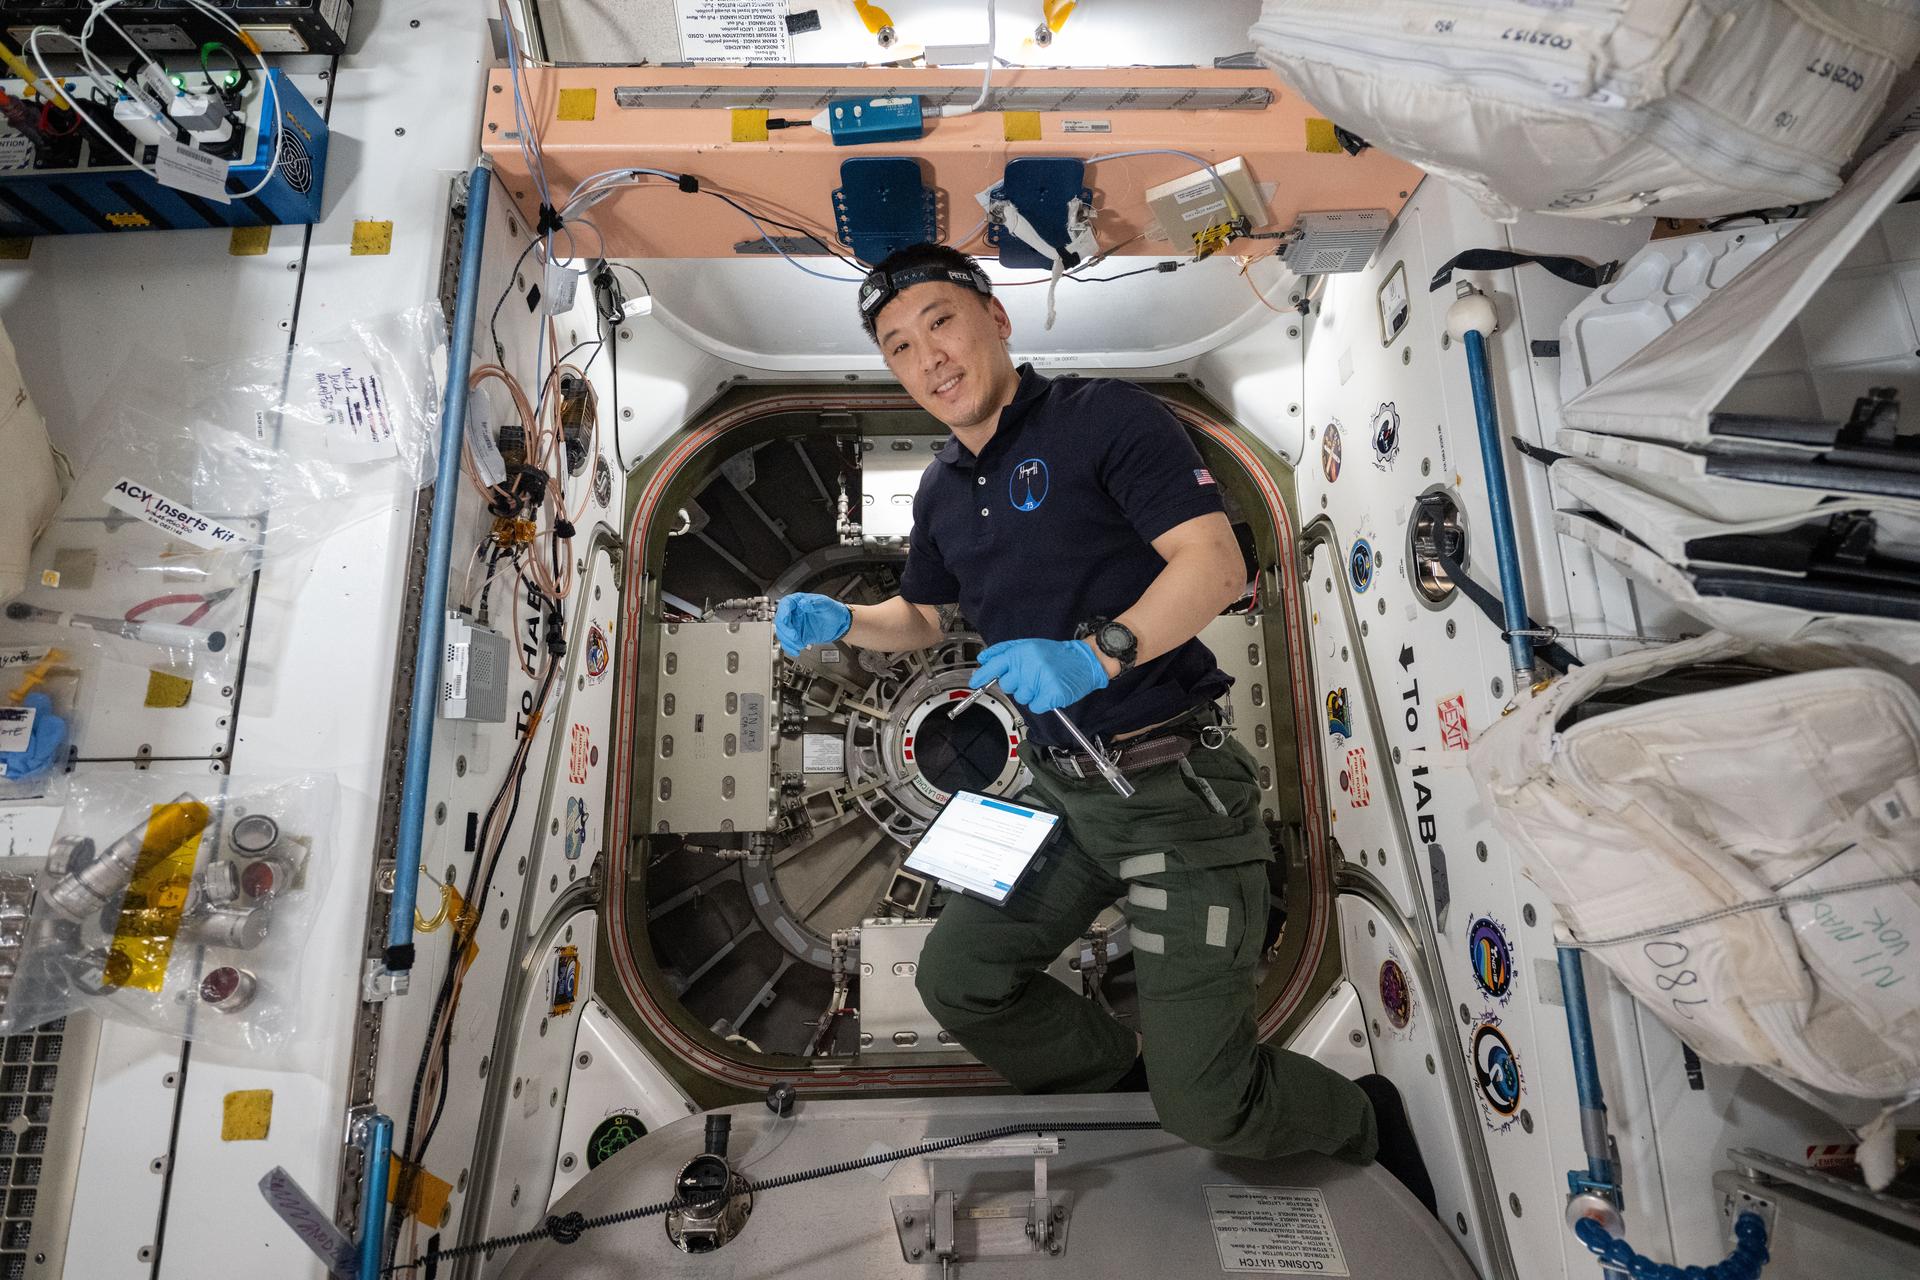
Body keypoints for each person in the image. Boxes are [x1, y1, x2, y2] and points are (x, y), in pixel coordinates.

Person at [775, 243, 1434, 1209]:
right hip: (1059, 787)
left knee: (1211, 1112)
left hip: (1171, 788)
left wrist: (1093, 656)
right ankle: (1137, 1087)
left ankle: (1361, 1119)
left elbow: (1213, 568)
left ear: (995, 318)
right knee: (958, 981)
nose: (929, 360)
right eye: (899, 347)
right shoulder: (943, 489)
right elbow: (923, 617)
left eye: (941, 323)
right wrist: (848, 622)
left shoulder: (1107, 420)